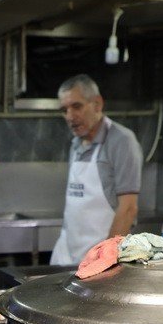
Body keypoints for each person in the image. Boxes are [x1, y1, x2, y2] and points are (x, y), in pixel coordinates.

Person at [50, 74, 144, 266]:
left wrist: (104, 262)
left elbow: (128, 209)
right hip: (66, 255)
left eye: (76, 106)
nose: (70, 116)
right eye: (64, 110)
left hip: (99, 260)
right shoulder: (75, 144)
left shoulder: (122, 141)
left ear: (97, 104)